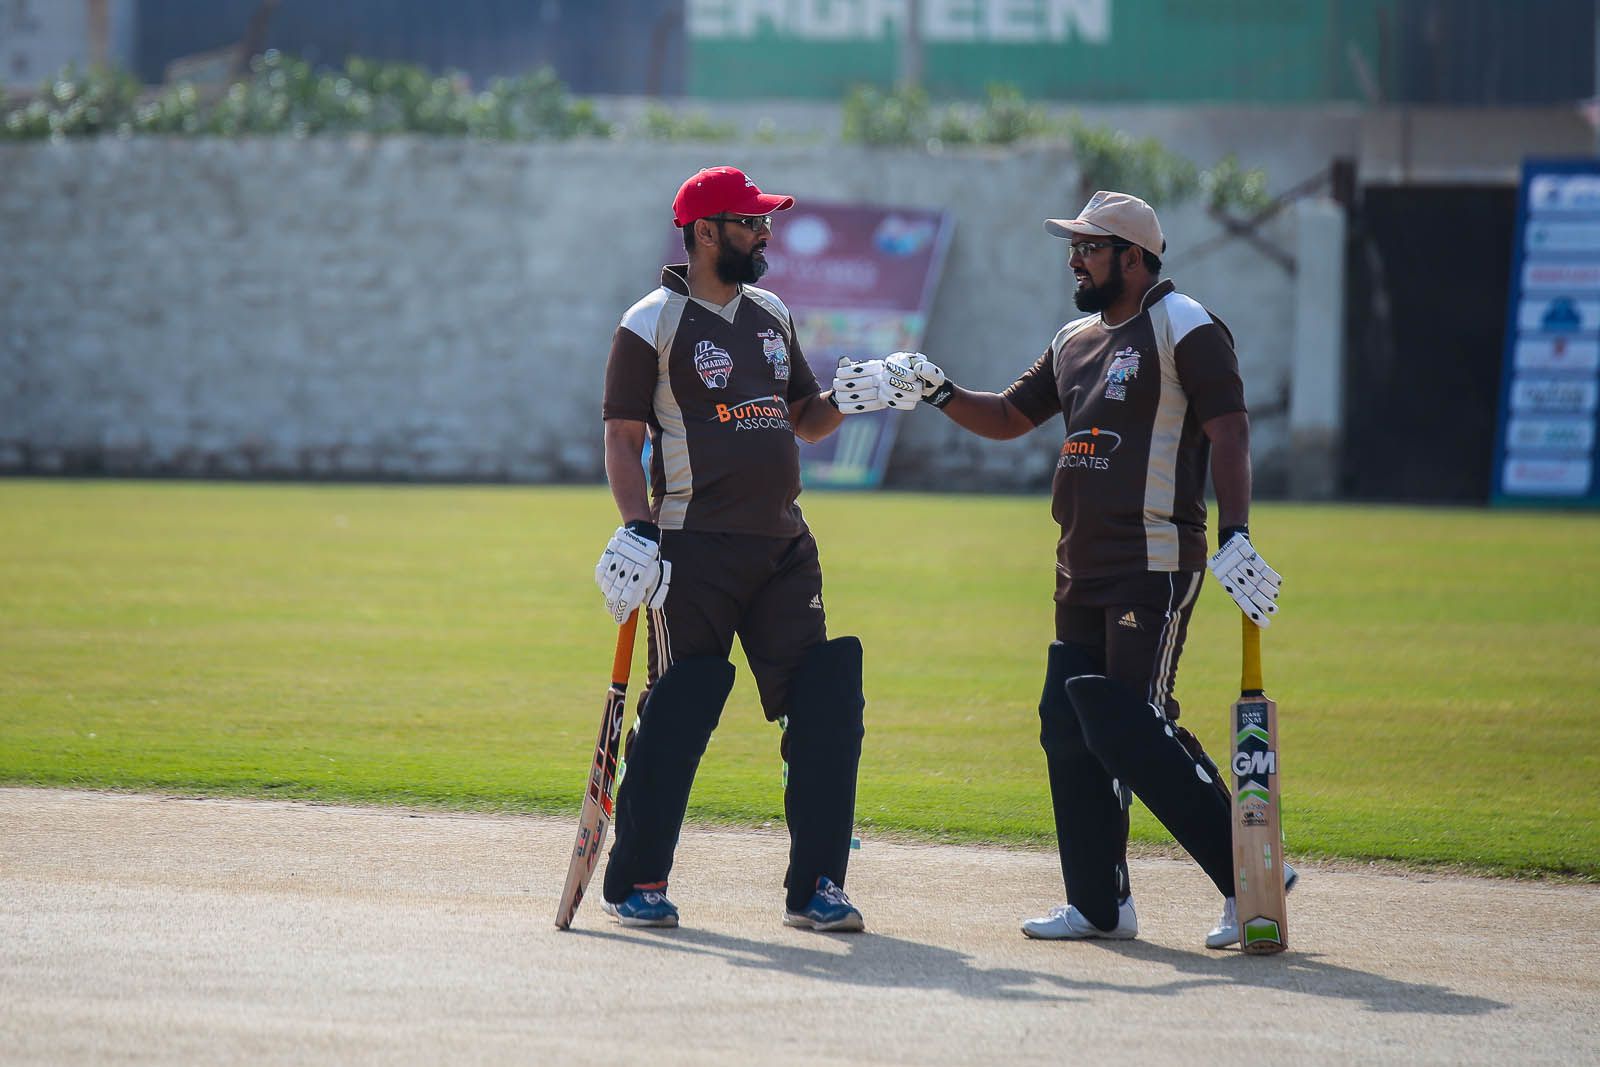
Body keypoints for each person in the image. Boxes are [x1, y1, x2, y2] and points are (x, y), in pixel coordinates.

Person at [855, 190, 1291, 946]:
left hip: (1153, 557)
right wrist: (938, 390)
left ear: (1134, 256)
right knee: (1069, 724)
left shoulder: (1184, 324)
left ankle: (1248, 873)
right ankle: (1099, 903)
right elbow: (1007, 416)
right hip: (1079, 563)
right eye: (1074, 247)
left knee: (1133, 722)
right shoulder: (1073, 340)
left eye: (1090, 247)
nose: (1075, 260)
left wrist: (1237, 533)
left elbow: (1230, 432)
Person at [593, 165, 895, 933]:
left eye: (766, 222)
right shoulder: (650, 321)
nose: (765, 235)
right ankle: (639, 879)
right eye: (751, 223)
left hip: (784, 546)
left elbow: (804, 417)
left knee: (825, 703)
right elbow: (622, 438)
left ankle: (818, 886)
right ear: (705, 232)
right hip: (693, 548)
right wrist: (637, 525)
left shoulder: (771, 313)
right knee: (680, 707)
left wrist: (851, 397)